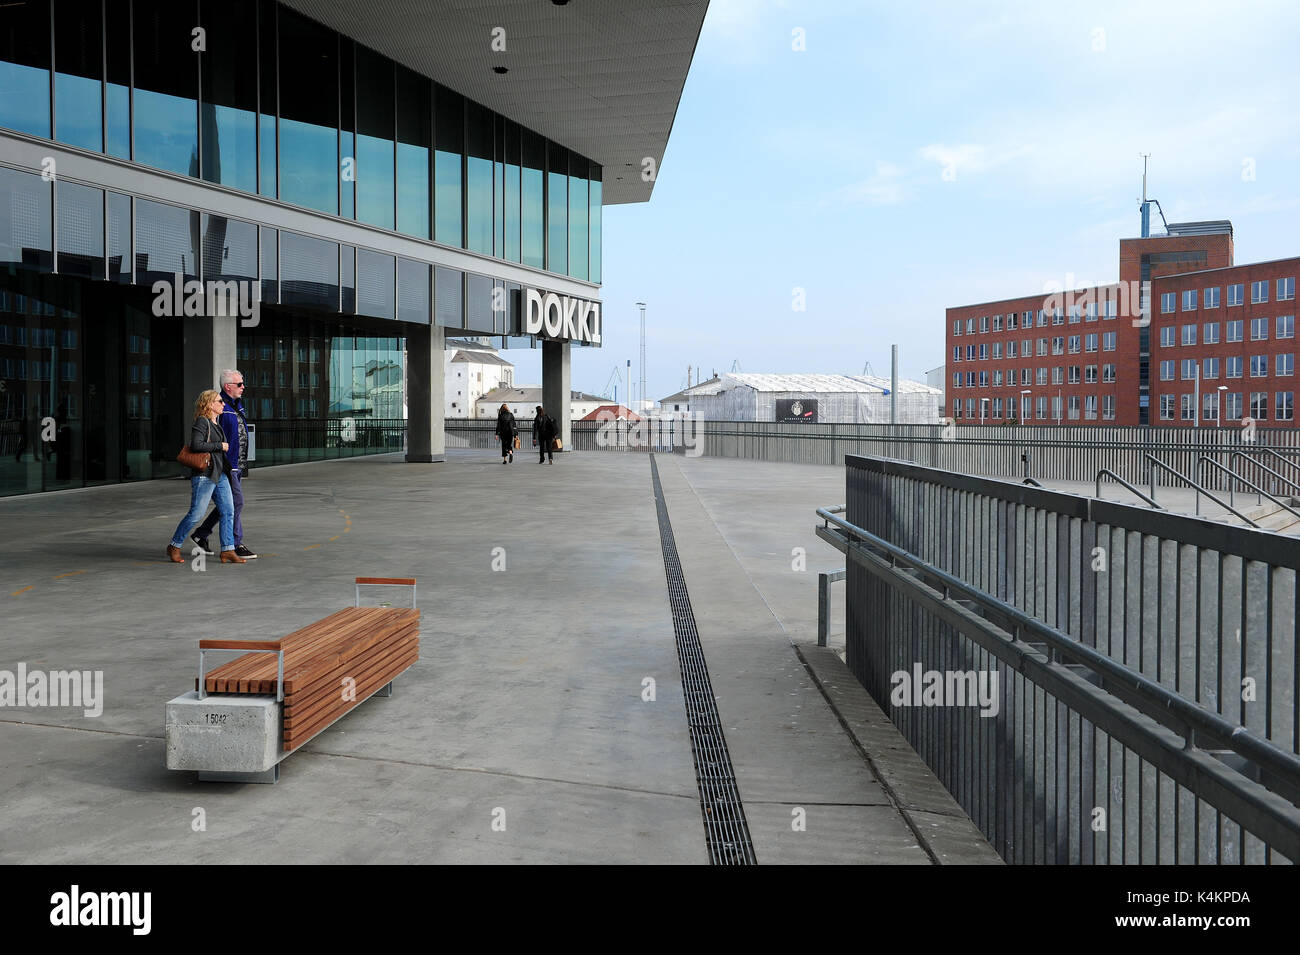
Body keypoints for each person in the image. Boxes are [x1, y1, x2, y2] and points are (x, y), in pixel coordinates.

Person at [167, 390, 244, 564]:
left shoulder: (216, 423)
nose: (223, 404)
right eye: (219, 401)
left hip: (220, 474)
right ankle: (174, 545)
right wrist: (221, 446)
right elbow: (196, 444)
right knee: (196, 514)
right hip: (205, 475)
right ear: (209, 404)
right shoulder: (202, 422)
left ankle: (228, 550)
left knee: (228, 511)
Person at [192, 370, 256, 558]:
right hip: (226, 464)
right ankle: (235, 544)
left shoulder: (236, 405)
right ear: (228, 386)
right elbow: (208, 434)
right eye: (239, 384)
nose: (243, 387)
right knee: (236, 503)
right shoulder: (218, 406)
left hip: (237, 464)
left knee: (227, 504)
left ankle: (201, 534)